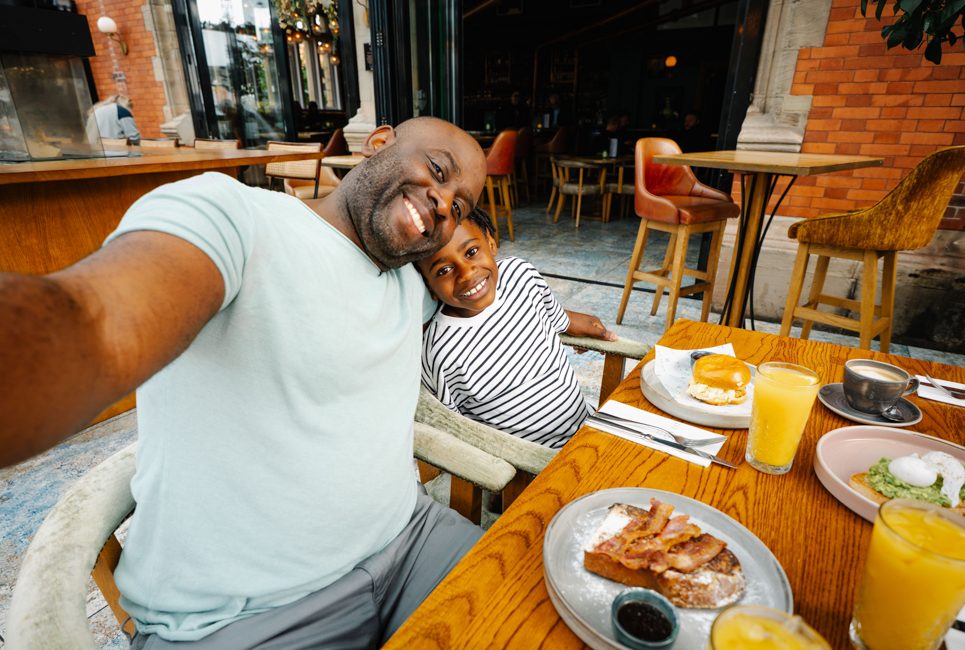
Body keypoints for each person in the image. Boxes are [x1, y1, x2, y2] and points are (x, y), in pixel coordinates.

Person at [0, 117, 488, 647]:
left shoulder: (411, 284)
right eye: (437, 170)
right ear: (378, 143)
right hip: (248, 617)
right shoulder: (237, 220)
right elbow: (95, 320)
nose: (444, 203)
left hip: (412, 542)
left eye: (460, 207)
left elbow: (483, 286)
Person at [417, 207, 616, 450]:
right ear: (429, 286)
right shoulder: (439, 352)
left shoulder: (522, 277)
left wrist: (581, 323)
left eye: (471, 252)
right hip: (532, 462)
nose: (466, 274)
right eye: (444, 271)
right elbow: (455, 432)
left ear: (491, 243)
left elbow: (554, 316)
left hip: (587, 427)